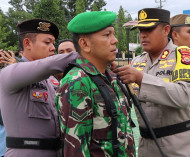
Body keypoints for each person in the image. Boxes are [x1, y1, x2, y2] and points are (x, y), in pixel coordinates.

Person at [114, 8, 190, 157]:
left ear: (166, 30)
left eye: (149, 29)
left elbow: (183, 96)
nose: (143, 34)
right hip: (147, 145)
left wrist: (141, 78)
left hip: (182, 144)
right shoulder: (138, 61)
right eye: (140, 30)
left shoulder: (183, 57)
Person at [55, 11, 135, 157]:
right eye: (107, 35)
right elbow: (76, 150)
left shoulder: (110, 76)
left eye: (113, 34)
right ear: (85, 44)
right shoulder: (77, 82)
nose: (115, 40)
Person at [0, 19, 78, 157]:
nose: (53, 47)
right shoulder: (10, 73)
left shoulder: (52, 80)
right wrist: (92, 54)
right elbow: (49, 65)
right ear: (27, 43)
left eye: (53, 43)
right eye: (47, 42)